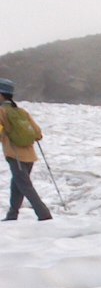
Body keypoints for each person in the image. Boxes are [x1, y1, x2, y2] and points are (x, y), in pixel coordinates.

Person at [0, 78, 52, 222]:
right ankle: (12, 215)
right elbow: (38, 134)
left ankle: (44, 214)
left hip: (14, 154)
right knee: (17, 185)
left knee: (24, 186)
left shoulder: (1, 112)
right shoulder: (22, 111)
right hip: (29, 155)